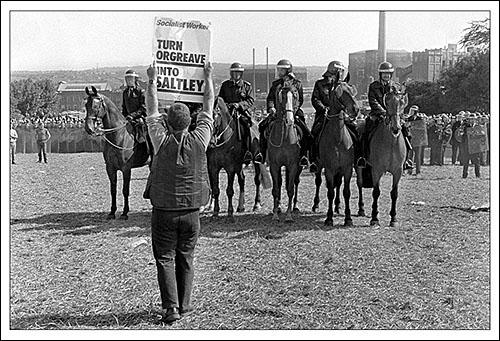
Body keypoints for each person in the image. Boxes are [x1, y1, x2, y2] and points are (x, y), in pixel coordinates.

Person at [144, 61, 214, 324]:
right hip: (192, 211)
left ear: (168, 123)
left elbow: (151, 108)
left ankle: (171, 308)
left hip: (164, 211)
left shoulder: (159, 138)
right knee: (186, 256)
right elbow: (208, 106)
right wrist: (208, 77)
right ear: (189, 123)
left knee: (164, 257)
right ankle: (184, 305)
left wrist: (152, 80)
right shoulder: (201, 138)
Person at [357, 61, 413, 170]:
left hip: (394, 116)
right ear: (380, 74)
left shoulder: (396, 87)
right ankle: (363, 157)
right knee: (365, 130)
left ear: (391, 75)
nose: (386, 75)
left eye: (388, 73)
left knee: (406, 131)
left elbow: (399, 101)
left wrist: (397, 113)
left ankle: (407, 159)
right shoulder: (374, 86)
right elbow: (373, 101)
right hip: (377, 115)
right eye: (384, 73)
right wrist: (383, 113)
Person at [255, 59, 311, 167]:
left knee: (306, 132)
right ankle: (261, 153)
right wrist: (271, 108)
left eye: (281, 70)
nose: (279, 72)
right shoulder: (276, 84)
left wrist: (293, 110)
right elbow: (270, 98)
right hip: (277, 113)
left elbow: (300, 100)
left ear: (288, 70)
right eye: (278, 69)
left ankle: (304, 156)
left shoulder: (297, 84)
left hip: (293, 112)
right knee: (262, 127)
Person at [308, 60, 360, 173]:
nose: (341, 74)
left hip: (341, 115)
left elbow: (347, 99)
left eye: (342, 72)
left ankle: (358, 158)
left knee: (355, 131)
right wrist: (323, 108)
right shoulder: (320, 84)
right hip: (324, 115)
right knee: (314, 133)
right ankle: (313, 160)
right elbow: (315, 99)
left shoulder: (343, 85)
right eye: (339, 71)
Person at [218, 62, 256, 164]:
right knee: (216, 125)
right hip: (227, 112)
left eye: (238, 73)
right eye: (234, 72)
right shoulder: (225, 85)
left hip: (242, 112)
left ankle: (248, 151)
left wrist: (239, 105)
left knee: (247, 128)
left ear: (241, 74)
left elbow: (250, 100)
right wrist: (227, 105)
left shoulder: (247, 86)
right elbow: (220, 99)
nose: (236, 75)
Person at [122, 69, 147, 143]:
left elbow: (143, 107)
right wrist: (124, 116)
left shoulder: (140, 91)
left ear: (135, 79)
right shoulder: (125, 92)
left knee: (144, 132)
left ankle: (148, 149)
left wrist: (133, 115)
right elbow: (124, 107)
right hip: (128, 118)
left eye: (131, 78)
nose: (129, 80)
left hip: (140, 117)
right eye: (127, 79)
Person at [459, 113, 481, 178]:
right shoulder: (465, 127)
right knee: (465, 162)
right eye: (470, 119)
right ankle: (464, 175)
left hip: (475, 147)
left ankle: (478, 175)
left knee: (477, 162)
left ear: (475, 120)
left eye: (473, 119)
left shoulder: (478, 127)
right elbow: (462, 136)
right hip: (467, 147)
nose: (472, 120)